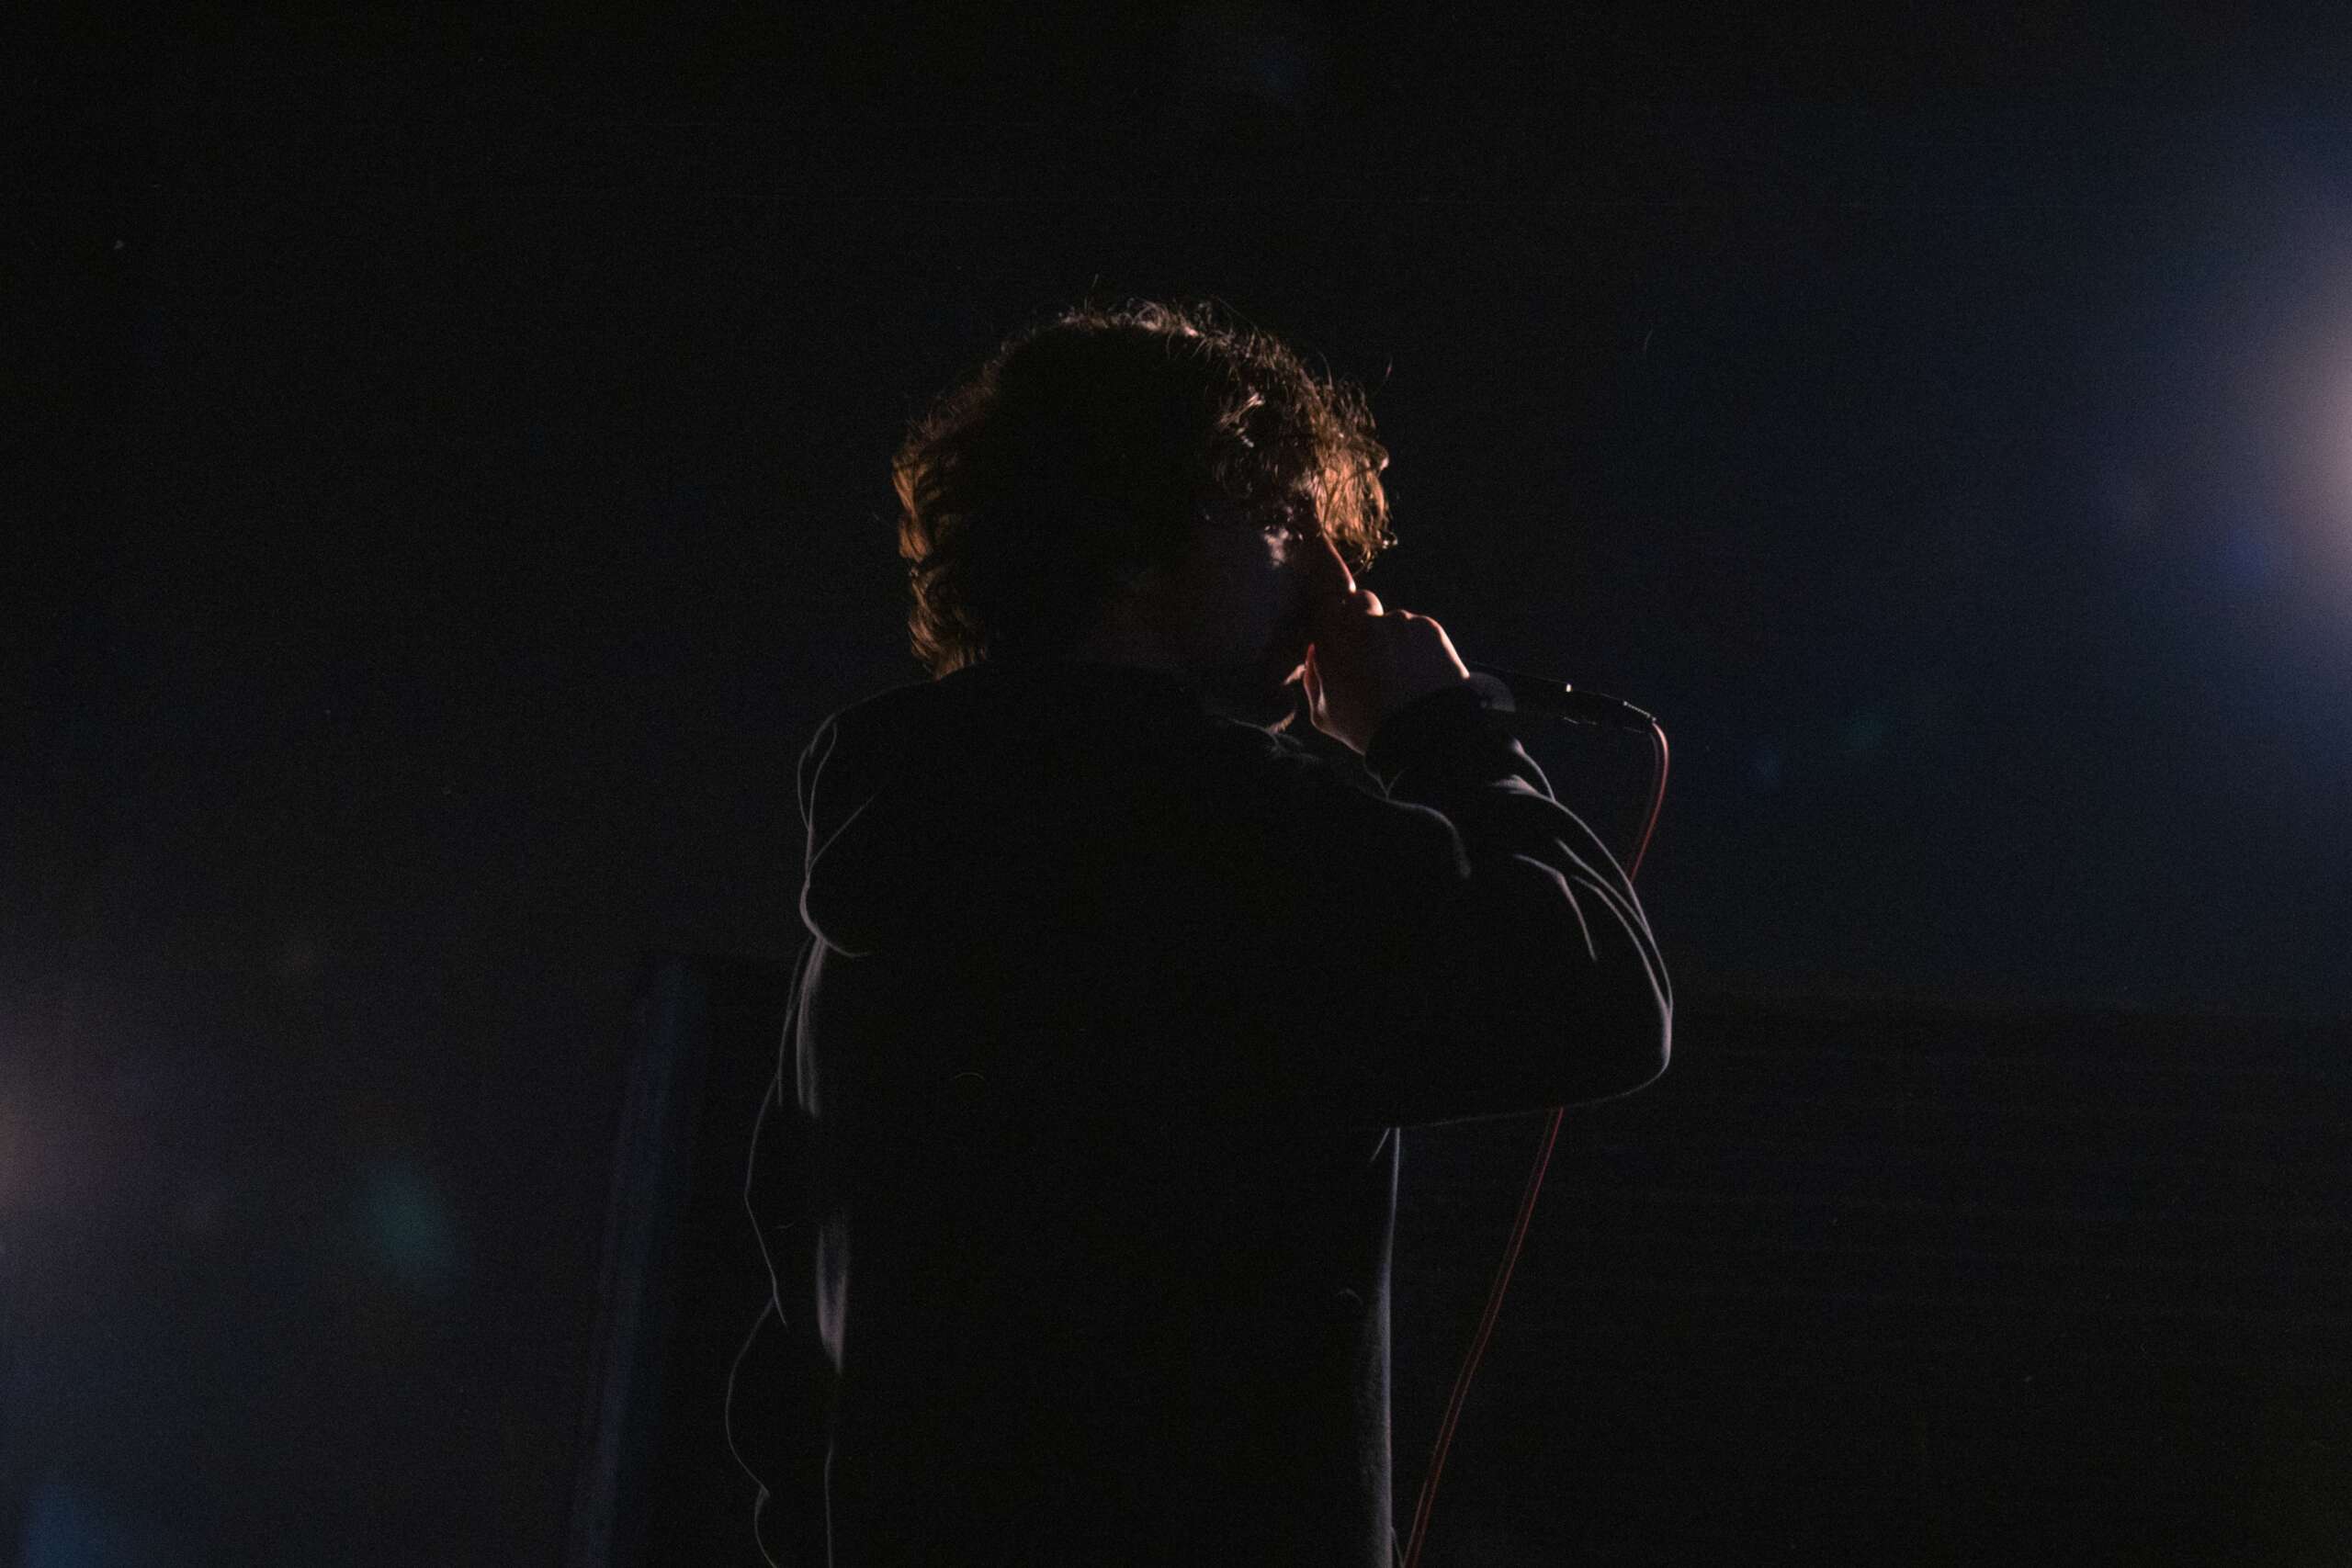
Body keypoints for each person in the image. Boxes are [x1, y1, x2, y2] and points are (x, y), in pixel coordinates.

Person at [739, 299, 1671, 1566]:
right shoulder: (1216, 821)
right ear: (1135, 538)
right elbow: (1597, 998)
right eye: (1286, 521)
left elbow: (796, 1364)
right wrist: (1440, 731)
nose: (1336, 579)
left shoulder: (884, 866)